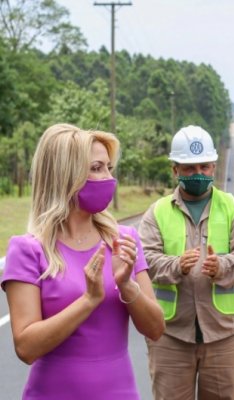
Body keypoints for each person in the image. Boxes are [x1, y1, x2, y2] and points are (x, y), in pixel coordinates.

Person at [1, 123, 165, 400]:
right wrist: (88, 300)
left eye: (109, 168)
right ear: (67, 175)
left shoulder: (124, 240)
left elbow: (155, 328)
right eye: (97, 168)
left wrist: (126, 285)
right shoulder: (28, 250)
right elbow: (26, 348)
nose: (109, 178)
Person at [138, 125, 234, 400]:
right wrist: (176, 265)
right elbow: (145, 259)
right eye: (189, 168)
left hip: (225, 334)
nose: (197, 174)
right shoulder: (157, 213)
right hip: (171, 335)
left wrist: (222, 266)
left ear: (214, 167)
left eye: (204, 166)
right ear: (175, 170)